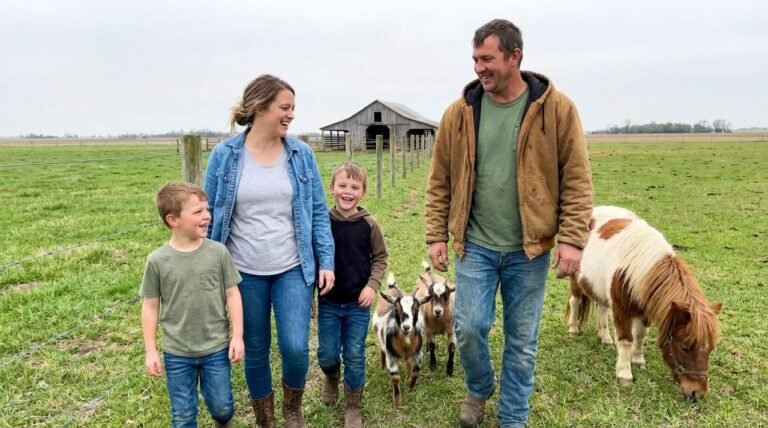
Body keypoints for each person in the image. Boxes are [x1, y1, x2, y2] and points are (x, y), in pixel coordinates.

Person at [424, 19, 593, 427]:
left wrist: (571, 239)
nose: (480, 68)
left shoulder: (556, 109)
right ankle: (479, 387)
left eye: (488, 59)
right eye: (475, 59)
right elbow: (439, 178)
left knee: (521, 341)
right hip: (475, 244)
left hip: (529, 249)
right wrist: (435, 235)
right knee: (467, 327)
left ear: (515, 57)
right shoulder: (459, 113)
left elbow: (577, 177)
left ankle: (512, 416)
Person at [204, 74, 335, 428]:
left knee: (295, 347)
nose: (291, 115)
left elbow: (319, 212)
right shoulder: (225, 156)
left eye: (293, 108)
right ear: (261, 108)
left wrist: (327, 260)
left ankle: (292, 411)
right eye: (285, 107)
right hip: (243, 271)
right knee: (255, 348)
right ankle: (266, 420)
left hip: (293, 267)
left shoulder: (301, 154)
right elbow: (210, 214)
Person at [141, 182, 244, 428]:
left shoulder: (218, 253)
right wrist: (151, 350)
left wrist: (237, 336)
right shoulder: (157, 261)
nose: (207, 216)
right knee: (183, 415)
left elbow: (233, 294)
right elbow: (150, 306)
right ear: (173, 220)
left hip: (216, 347)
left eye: (207, 210)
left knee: (222, 406)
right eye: (198, 212)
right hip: (177, 352)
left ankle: (223, 421)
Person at [316, 162, 388, 428]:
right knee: (327, 353)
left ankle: (353, 406)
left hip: (358, 304)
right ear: (331, 188)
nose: (348, 192)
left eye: (355, 187)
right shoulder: (323, 222)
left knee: (355, 353)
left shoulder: (369, 224)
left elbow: (380, 258)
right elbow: (315, 259)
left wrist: (372, 286)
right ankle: (331, 376)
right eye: (342, 186)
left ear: (363, 192)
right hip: (329, 302)